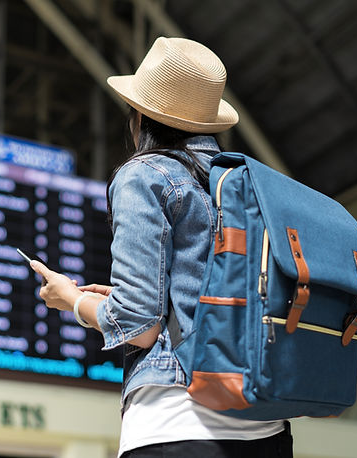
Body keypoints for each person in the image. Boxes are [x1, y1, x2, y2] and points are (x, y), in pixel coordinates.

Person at [32, 37, 293, 457]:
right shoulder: (248, 183)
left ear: (140, 116)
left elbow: (140, 325)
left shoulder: (146, 175)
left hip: (177, 422)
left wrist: (73, 303)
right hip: (268, 428)